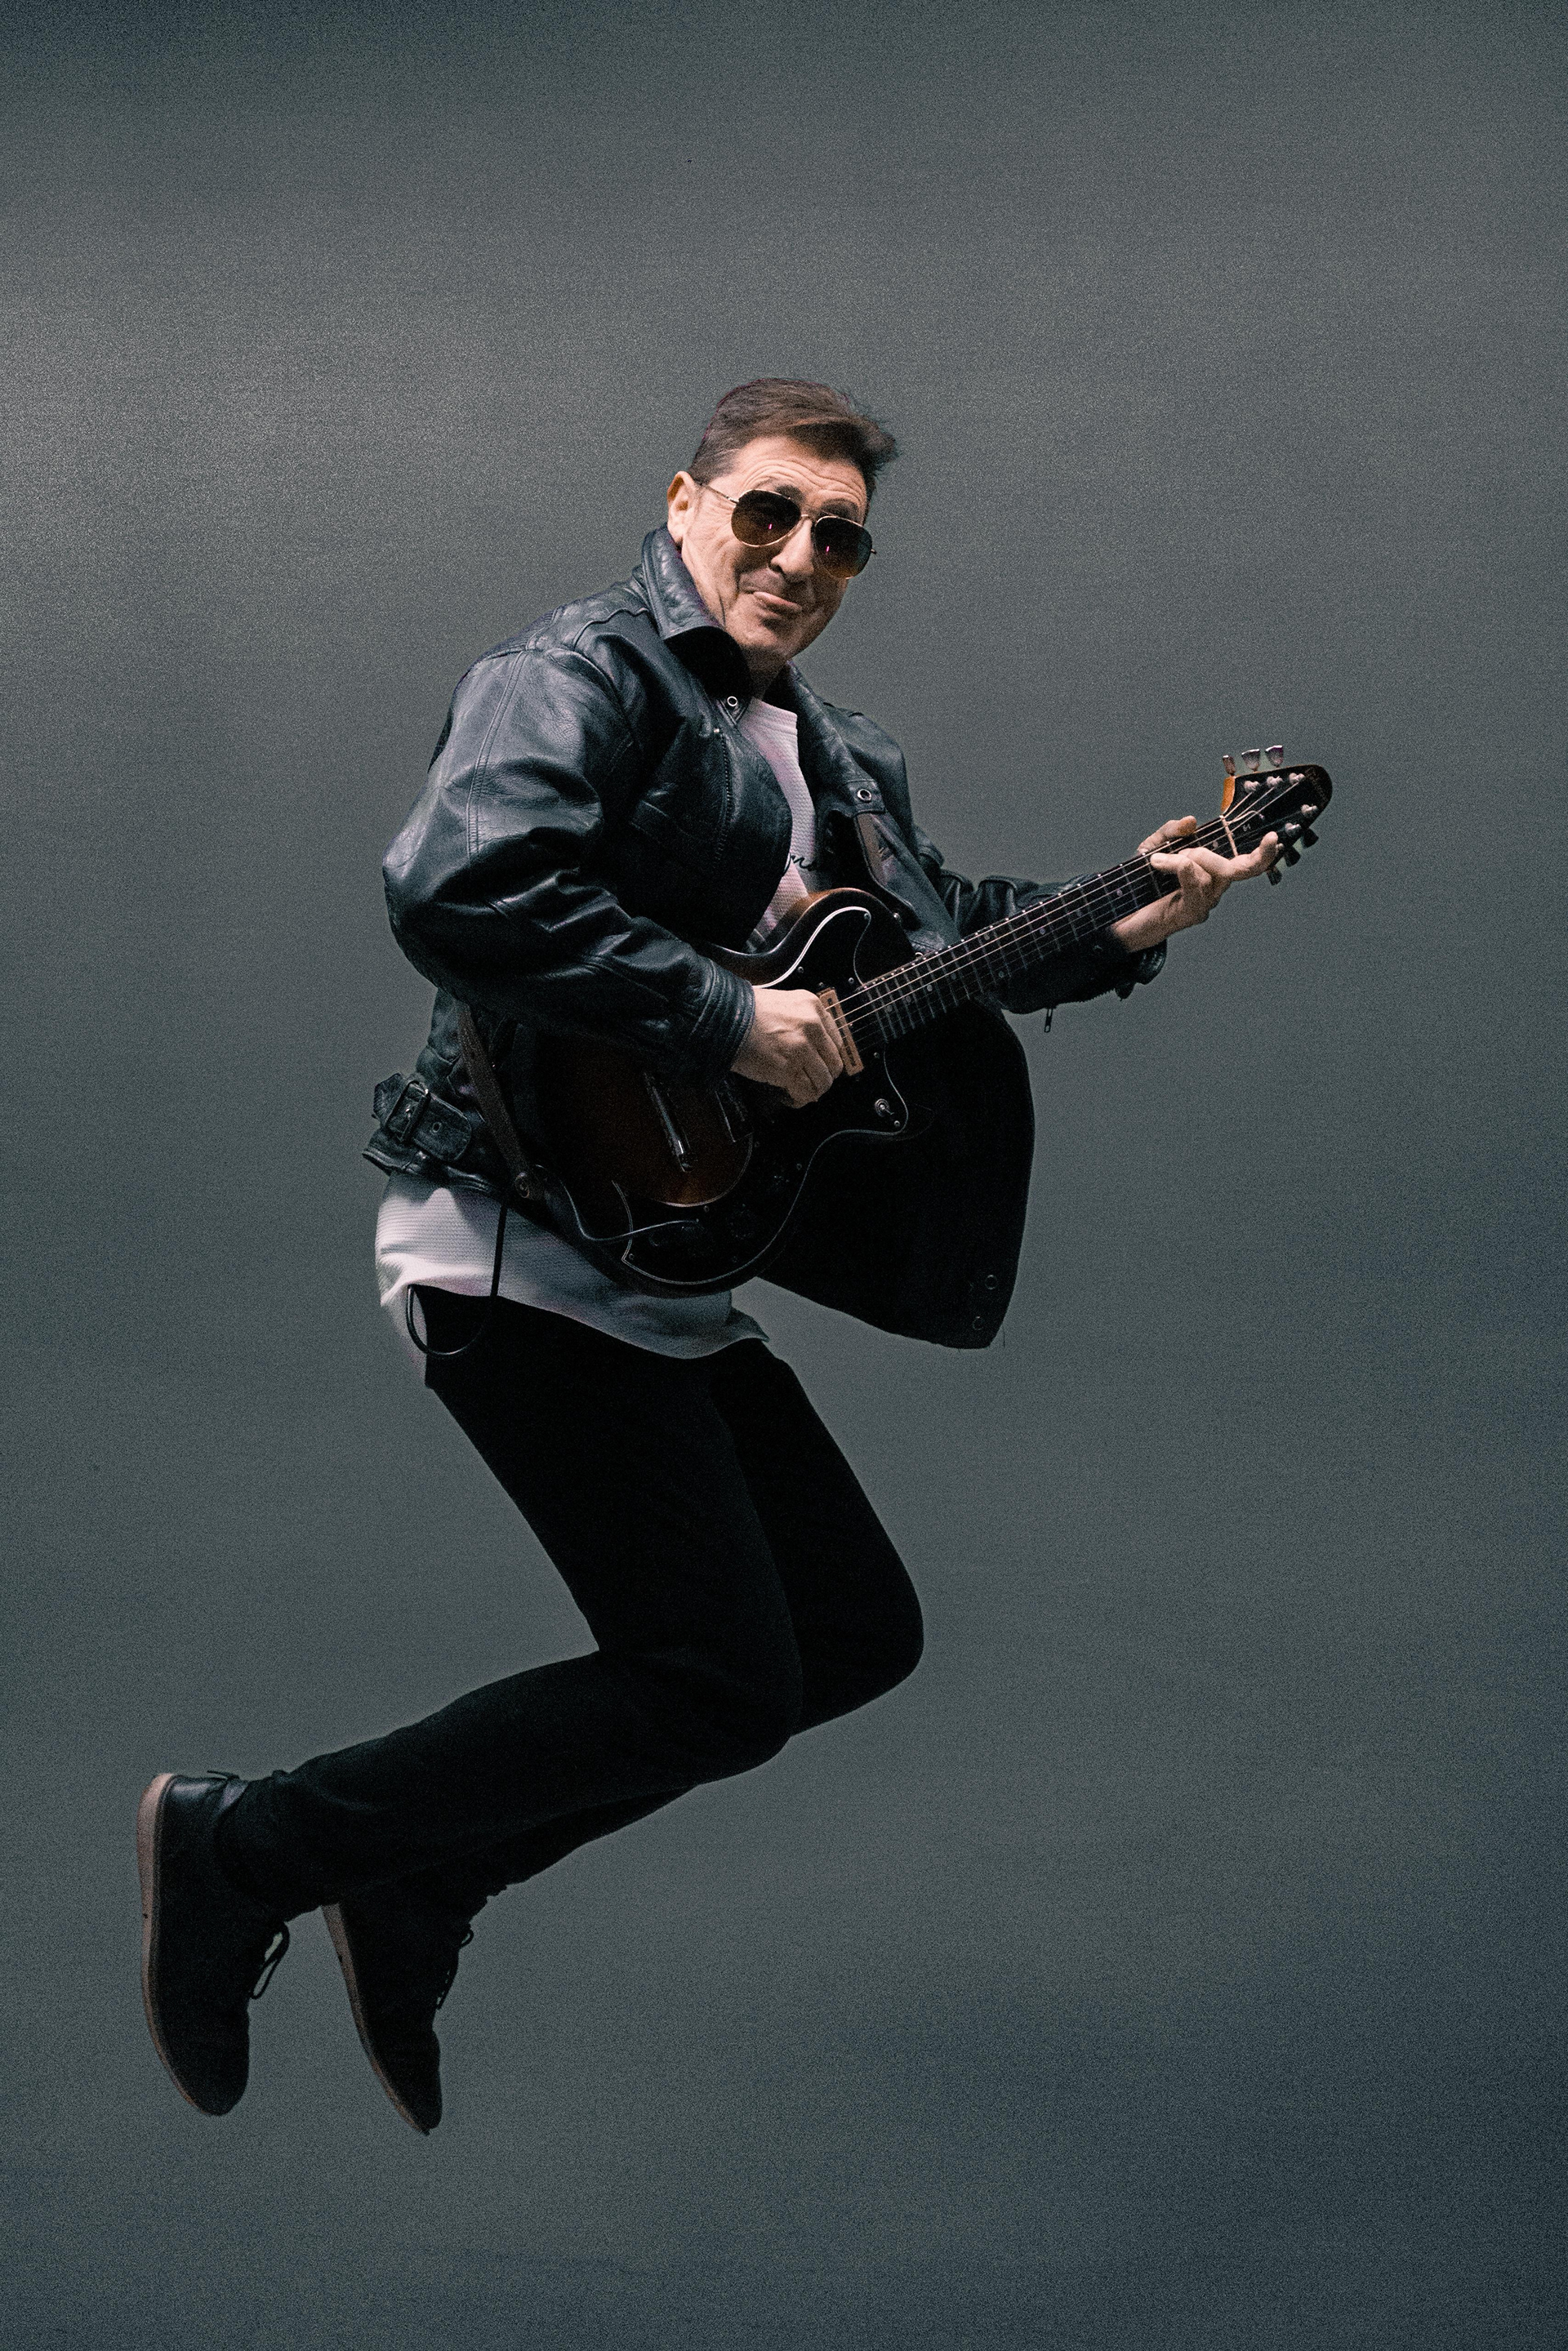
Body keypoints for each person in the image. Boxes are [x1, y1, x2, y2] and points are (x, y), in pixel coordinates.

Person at [136, 379, 1278, 2133]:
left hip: (673, 1255)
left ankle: (422, 1876)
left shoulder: (843, 757)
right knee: (718, 1677)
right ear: (684, 503)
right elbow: (458, 884)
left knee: (851, 1632)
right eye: (767, 512)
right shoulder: (578, 678)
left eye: (842, 538)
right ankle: (250, 1845)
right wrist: (729, 1018)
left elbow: (943, 948)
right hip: (513, 1237)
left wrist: (1121, 913)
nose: (800, 557)